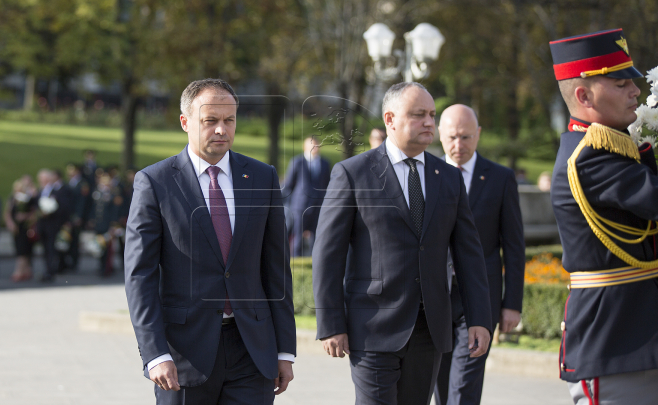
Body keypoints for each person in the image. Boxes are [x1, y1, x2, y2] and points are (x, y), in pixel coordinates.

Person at [312, 82, 493, 405]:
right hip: (372, 330)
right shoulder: (353, 174)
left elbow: (469, 254)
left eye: (432, 115)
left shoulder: (448, 178)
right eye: (418, 114)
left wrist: (479, 317)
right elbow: (328, 255)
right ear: (390, 119)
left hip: (431, 330)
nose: (429, 123)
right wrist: (330, 323)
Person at [124, 78, 296, 405]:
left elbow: (276, 269)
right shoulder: (154, 183)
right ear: (185, 122)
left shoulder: (262, 177)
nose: (221, 129)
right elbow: (139, 276)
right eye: (210, 121)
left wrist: (284, 349)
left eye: (229, 120)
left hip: (252, 350)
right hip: (184, 354)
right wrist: (155, 353)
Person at [549, 28, 658, 404]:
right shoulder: (591, 157)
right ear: (583, 95)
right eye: (620, 81)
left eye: (633, 80)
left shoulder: (617, 149)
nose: (635, 90)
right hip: (616, 343)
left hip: (638, 337)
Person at [433, 104, 525, 405]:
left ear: (479, 135)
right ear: (440, 135)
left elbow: (513, 245)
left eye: (466, 137)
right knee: (440, 383)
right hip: (436, 296)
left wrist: (512, 304)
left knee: (464, 387)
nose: (458, 145)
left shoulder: (500, 178)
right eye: (452, 138)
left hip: (480, 298)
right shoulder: (426, 175)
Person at [282, 136, 331, 256]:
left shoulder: (325, 163)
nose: (314, 148)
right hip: (300, 207)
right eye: (311, 145)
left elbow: (327, 184)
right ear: (305, 147)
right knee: (297, 237)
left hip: (318, 205)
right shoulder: (297, 162)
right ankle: (295, 262)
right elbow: (289, 184)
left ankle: (315, 261)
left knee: (317, 236)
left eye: (316, 145)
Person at [36, 169, 72, 282]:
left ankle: (50, 271)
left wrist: (51, 211)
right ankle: (47, 269)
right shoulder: (40, 191)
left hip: (53, 224)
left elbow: (64, 207)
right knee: (45, 249)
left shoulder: (57, 191)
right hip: (42, 225)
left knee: (52, 249)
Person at [4, 177, 38, 282]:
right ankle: (26, 270)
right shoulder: (12, 199)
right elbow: (7, 212)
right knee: (20, 249)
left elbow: (35, 212)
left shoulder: (29, 199)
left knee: (23, 250)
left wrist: (25, 217)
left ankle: (19, 271)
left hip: (25, 228)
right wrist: (10, 223)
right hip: (16, 228)